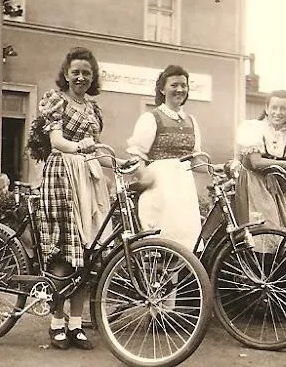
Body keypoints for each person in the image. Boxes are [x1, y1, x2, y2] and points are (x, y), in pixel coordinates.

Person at [27, 47, 112, 351]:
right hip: (62, 176)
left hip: (87, 180)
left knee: (87, 254)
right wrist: (83, 149)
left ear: (93, 77)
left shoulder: (92, 109)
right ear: (66, 74)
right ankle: (56, 323)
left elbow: (96, 149)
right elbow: (57, 142)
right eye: (75, 71)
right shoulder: (56, 101)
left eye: (86, 73)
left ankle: (76, 325)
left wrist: (118, 163)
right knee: (64, 252)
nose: (80, 77)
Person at [126, 64, 204, 253]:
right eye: (174, 85)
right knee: (161, 242)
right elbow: (136, 154)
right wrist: (144, 175)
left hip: (184, 189)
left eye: (183, 85)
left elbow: (195, 159)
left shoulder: (191, 121)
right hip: (160, 187)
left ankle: (177, 283)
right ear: (162, 89)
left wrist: (217, 168)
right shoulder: (151, 118)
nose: (180, 90)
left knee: (185, 245)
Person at [234, 90, 286, 240]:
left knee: (280, 227)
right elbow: (256, 163)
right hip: (252, 182)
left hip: (272, 186)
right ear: (266, 109)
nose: (278, 112)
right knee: (262, 228)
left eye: (283, 109)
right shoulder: (254, 129)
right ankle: (255, 261)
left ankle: (271, 262)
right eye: (274, 107)